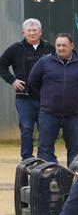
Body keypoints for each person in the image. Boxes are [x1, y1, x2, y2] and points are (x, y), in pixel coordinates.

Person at [27, 32, 78, 165]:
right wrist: (47, 95)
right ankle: (50, 174)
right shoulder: (44, 62)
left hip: (73, 115)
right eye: (58, 45)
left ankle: (72, 176)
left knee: (74, 150)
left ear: (72, 46)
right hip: (49, 114)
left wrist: (77, 94)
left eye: (64, 45)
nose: (61, 48)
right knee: (45, 149)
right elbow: (32, 81)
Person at [0, 18, 53, 159]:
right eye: (29, 31)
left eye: (35, 30)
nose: (32, 33)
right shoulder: (15, 49)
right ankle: (27, 159)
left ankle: (45, 157)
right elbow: (1, 64)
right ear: (24, 33)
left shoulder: (50, 49)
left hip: (45, 98)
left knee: (46, 129)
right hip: (24, 99)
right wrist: (12, 80)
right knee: (26, 129)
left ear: (40, 32)